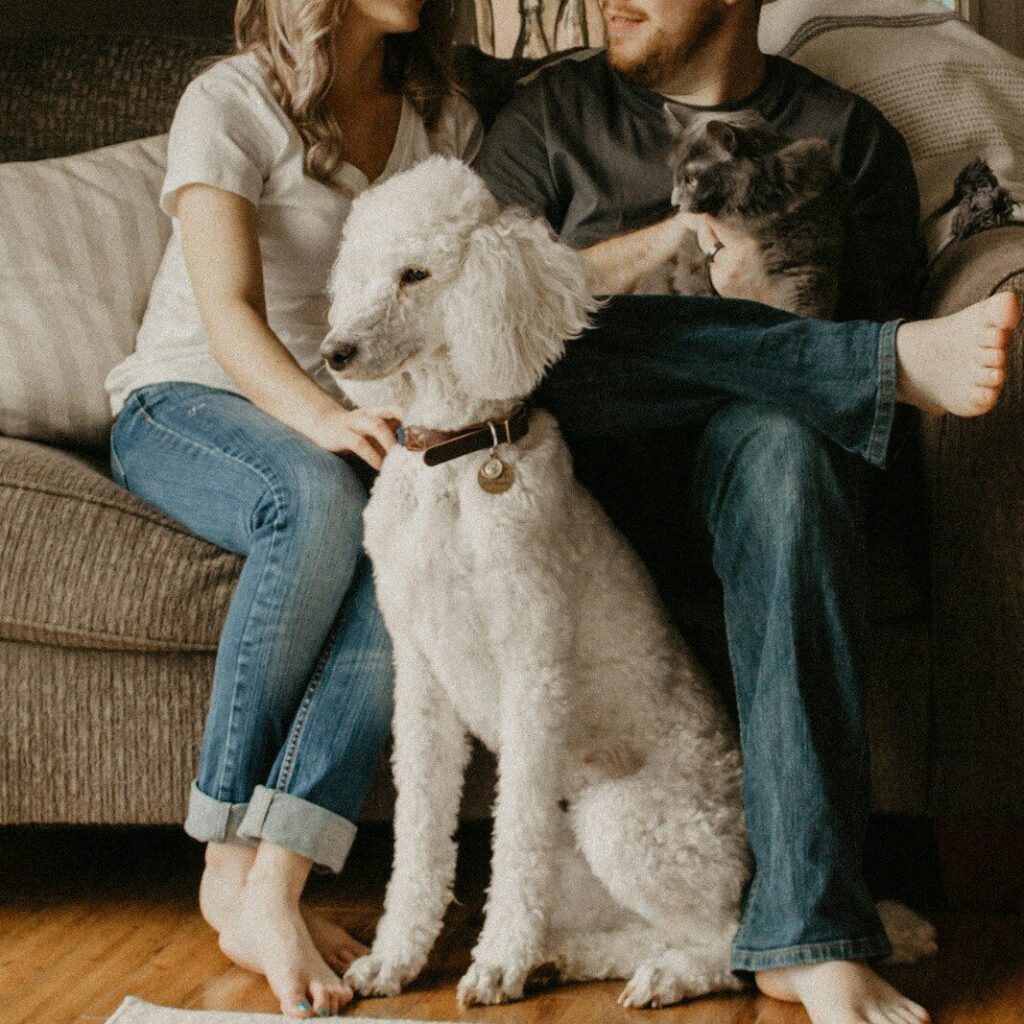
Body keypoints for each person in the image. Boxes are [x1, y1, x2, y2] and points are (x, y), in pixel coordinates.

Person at [471, 1, 1019, 1023]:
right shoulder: (551, 117)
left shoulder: (844, 138)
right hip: (581, 475)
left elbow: (859, 434)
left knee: (791, 443)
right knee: (537, 333)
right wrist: (667, 245)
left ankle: (805, 934)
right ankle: (874, 367)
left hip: (754, 473)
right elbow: (483, 320)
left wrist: (774, 314)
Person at [104, 0, 482, 1017]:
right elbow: (225, 306)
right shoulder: (227, 101)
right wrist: (318, 415)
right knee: (317, 503)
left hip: (350, 412)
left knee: (418, 541)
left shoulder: (438, 117)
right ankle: (226, 867)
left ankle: (273, 882)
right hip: (189, 399)